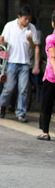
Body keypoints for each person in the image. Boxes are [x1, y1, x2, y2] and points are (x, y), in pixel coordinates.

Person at [0, 5, 39, 122]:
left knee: (24, 89)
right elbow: (4, 44)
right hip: (11, 62)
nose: (27, 21)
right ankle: (3, 105)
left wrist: (30, 40)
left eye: (29, 19)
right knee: (9, 88)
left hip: (25, 63)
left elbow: (34, 46)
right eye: (25, 19)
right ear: (19, 16)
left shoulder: (32, 28)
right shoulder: (9, 26)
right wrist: (2, 41)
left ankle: (21, 113)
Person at [38, 11, 55, 140]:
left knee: (47, 104)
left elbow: (53, 57)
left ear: (52, 23)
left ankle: (45, 132)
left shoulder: (51, 38)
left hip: (51, 76)